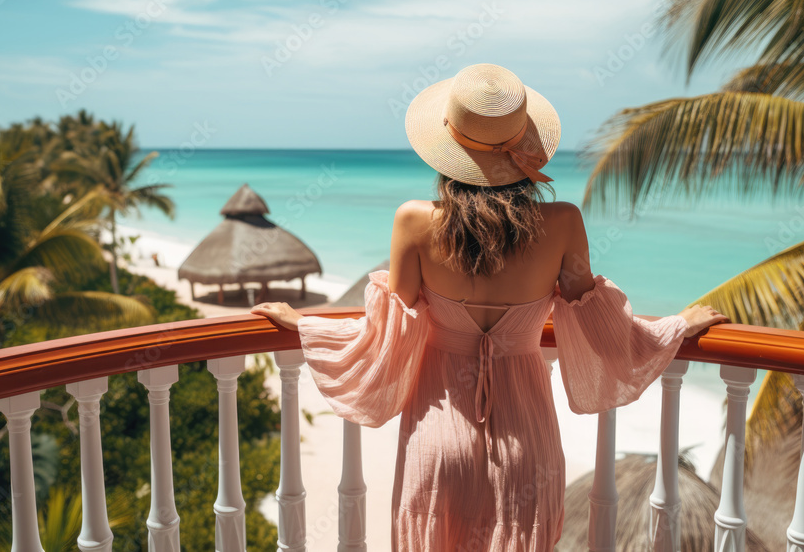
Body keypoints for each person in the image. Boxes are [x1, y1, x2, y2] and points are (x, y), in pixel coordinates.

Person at [251, 63, 728, 551]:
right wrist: (675, 327)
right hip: (525, 441)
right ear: (524, 148)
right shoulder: (563, 222)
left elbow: (387, 332)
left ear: (447, 150)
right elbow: (602, 328)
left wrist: (304, 324)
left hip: (438, 433)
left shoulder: (413, 221)